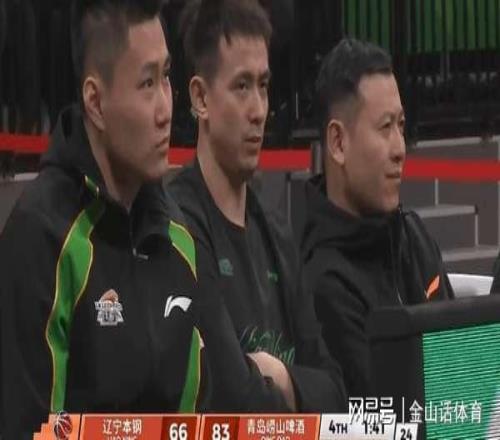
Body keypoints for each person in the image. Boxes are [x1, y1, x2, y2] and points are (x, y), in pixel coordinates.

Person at [0, 0, 202, 437]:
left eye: (167, 77)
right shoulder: (40, 238)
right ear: (95, 101)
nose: (166, 109)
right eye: (146, 83)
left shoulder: (179, 238)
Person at [169, 0, 346, 412]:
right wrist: (298, 396)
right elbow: (233, 396)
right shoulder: (179, 225)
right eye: (241, 86)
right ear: (200, 97)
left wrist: (281, 376)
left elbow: (336, 392)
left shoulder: (276, 231)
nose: (259, 110)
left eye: (263, 86)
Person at [300, 38, 455, 397]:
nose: (400, 148)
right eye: (385, 128)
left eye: (401, 125)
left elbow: (461, 358)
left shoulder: (414, 236)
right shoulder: (324, 283)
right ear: (338, 143)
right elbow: (391, 408)